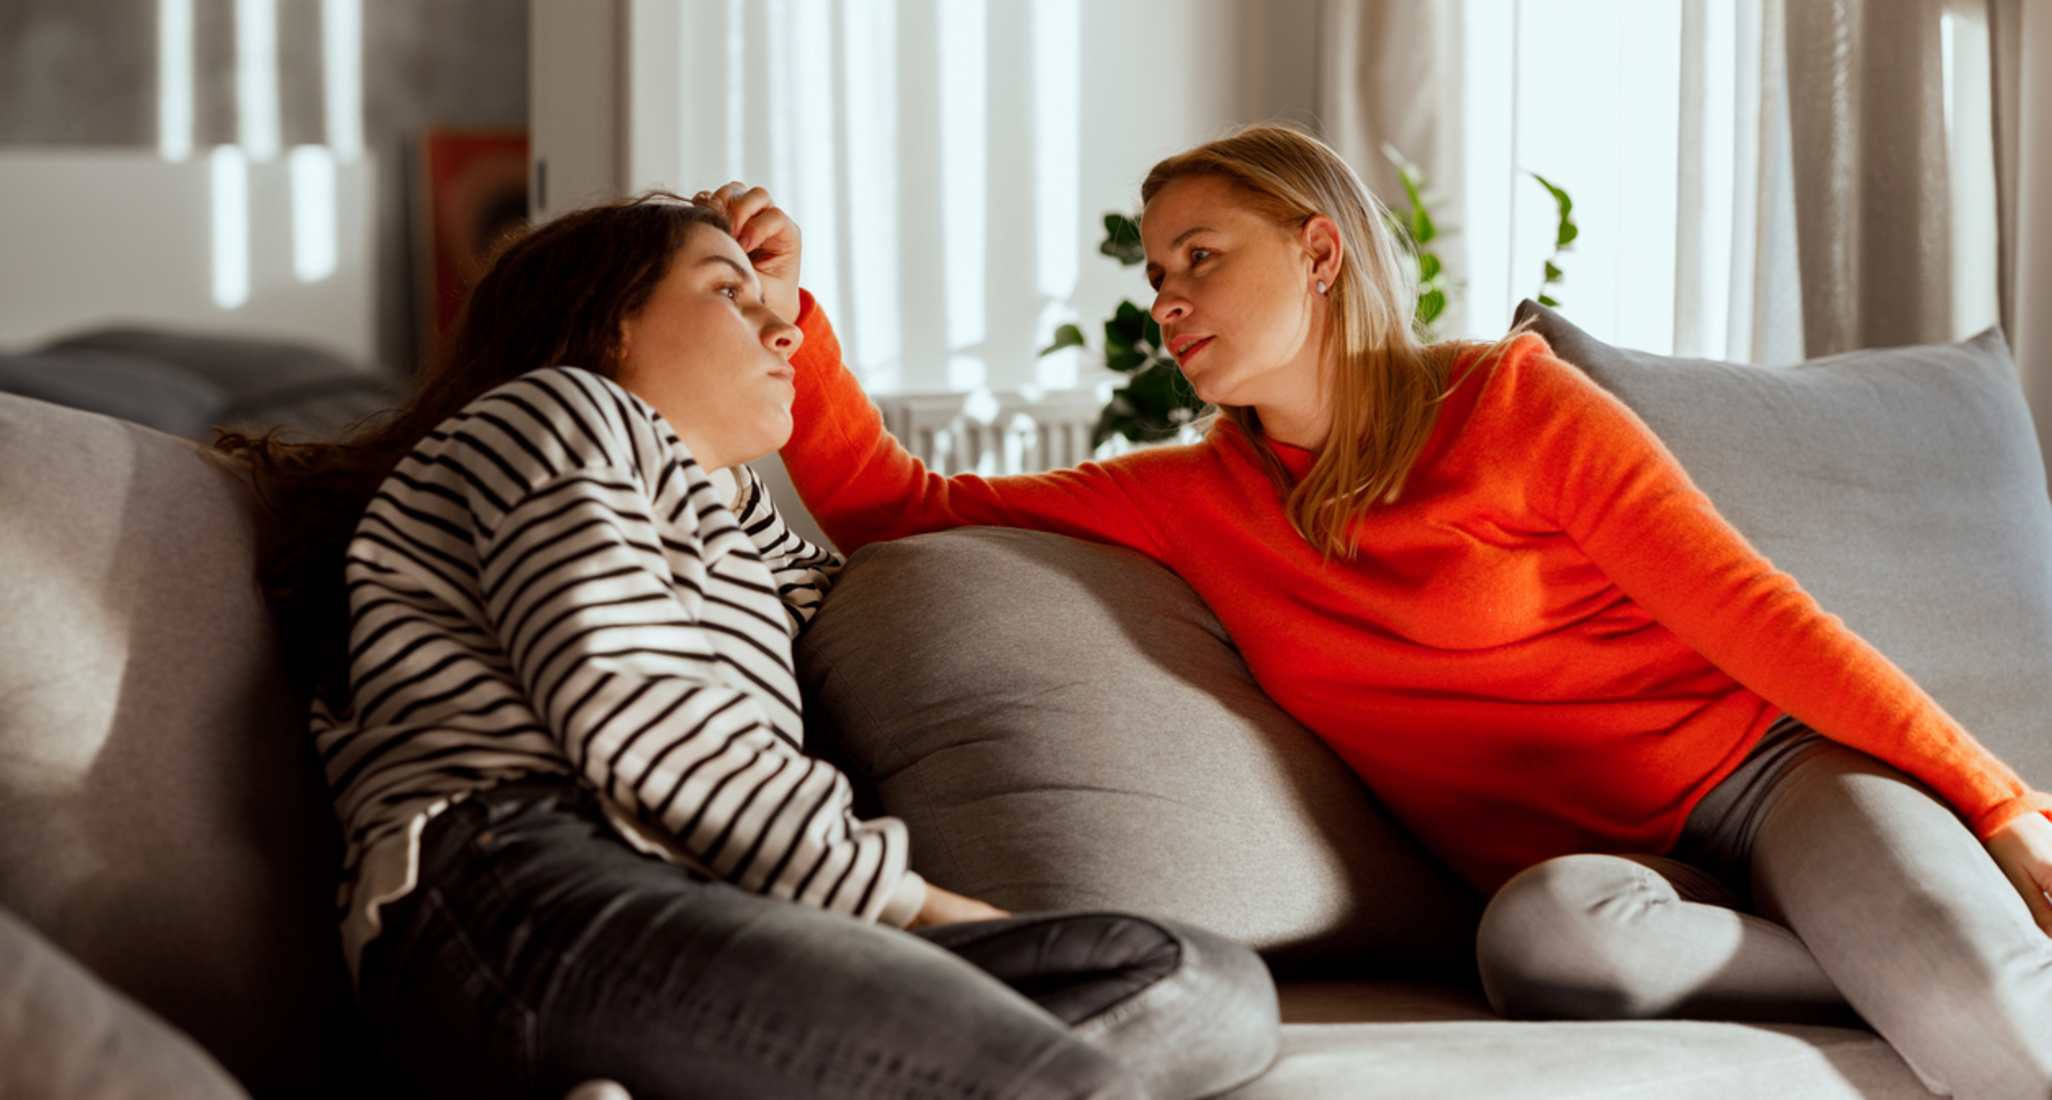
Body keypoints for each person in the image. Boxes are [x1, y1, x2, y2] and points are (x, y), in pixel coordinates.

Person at [711, 121, 2052, 1098]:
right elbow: (901, 507)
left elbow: (1756, 613)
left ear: (1317, 251)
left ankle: (1931, 936)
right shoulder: (1192, 497)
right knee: (1544, 945)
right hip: (1612, 886)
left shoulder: (1512, 404)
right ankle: (1886, 954)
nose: (1168, 299)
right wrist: (788, 317)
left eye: (1199, 256)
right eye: (1154, 275)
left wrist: (1995, 801)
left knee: (1990, 1003)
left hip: (1766, 784)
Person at [213, 193, 1278, 1100]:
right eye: (728, 294)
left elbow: (866, 580)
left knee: (1204, 979)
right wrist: (915, 904)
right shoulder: (557, 411)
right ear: (607, 323)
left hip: (714, 906)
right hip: (519, 892)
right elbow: (636, 713)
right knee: (1058, 1083)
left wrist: (779, 292)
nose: (779, 336)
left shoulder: (729, 516)